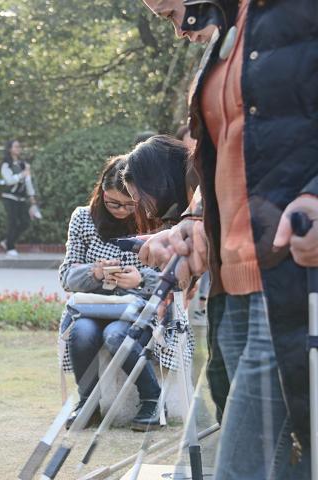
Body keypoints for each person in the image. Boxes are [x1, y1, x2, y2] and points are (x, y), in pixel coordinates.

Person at [140, 1, 318, 478]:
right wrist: (197, 221)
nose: (179, 29)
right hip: (233, 284)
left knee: (239, 468)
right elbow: (232, 151)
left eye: (170, 13)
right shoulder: (234, 27)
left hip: (287, 281)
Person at [58, 155, 192, 431]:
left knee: (117, 335)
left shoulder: (154, 219)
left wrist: (140, 279)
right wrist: (95, 273)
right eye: (113, 203)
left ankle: (152, 400)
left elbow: (177, 278)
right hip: (93, 305)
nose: (121, 210)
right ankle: (88, 403)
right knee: (81, 333)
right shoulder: (83, 218)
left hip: (140, 308)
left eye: (129, 204)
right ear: (101, 193)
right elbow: (66, 277)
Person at [0, 140, 37, 257]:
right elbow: (9, 180)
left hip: (21, 198)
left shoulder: (23, 164)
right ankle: (10, 246)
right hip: (9, 197)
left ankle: (7, 241)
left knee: (25, 222)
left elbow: (28, 181)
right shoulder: (6, 164)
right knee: (13, 222)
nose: (18, 149)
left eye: (19, 146)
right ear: (9, 149)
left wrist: (32, 197)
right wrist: (22, 174)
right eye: (15, 146)